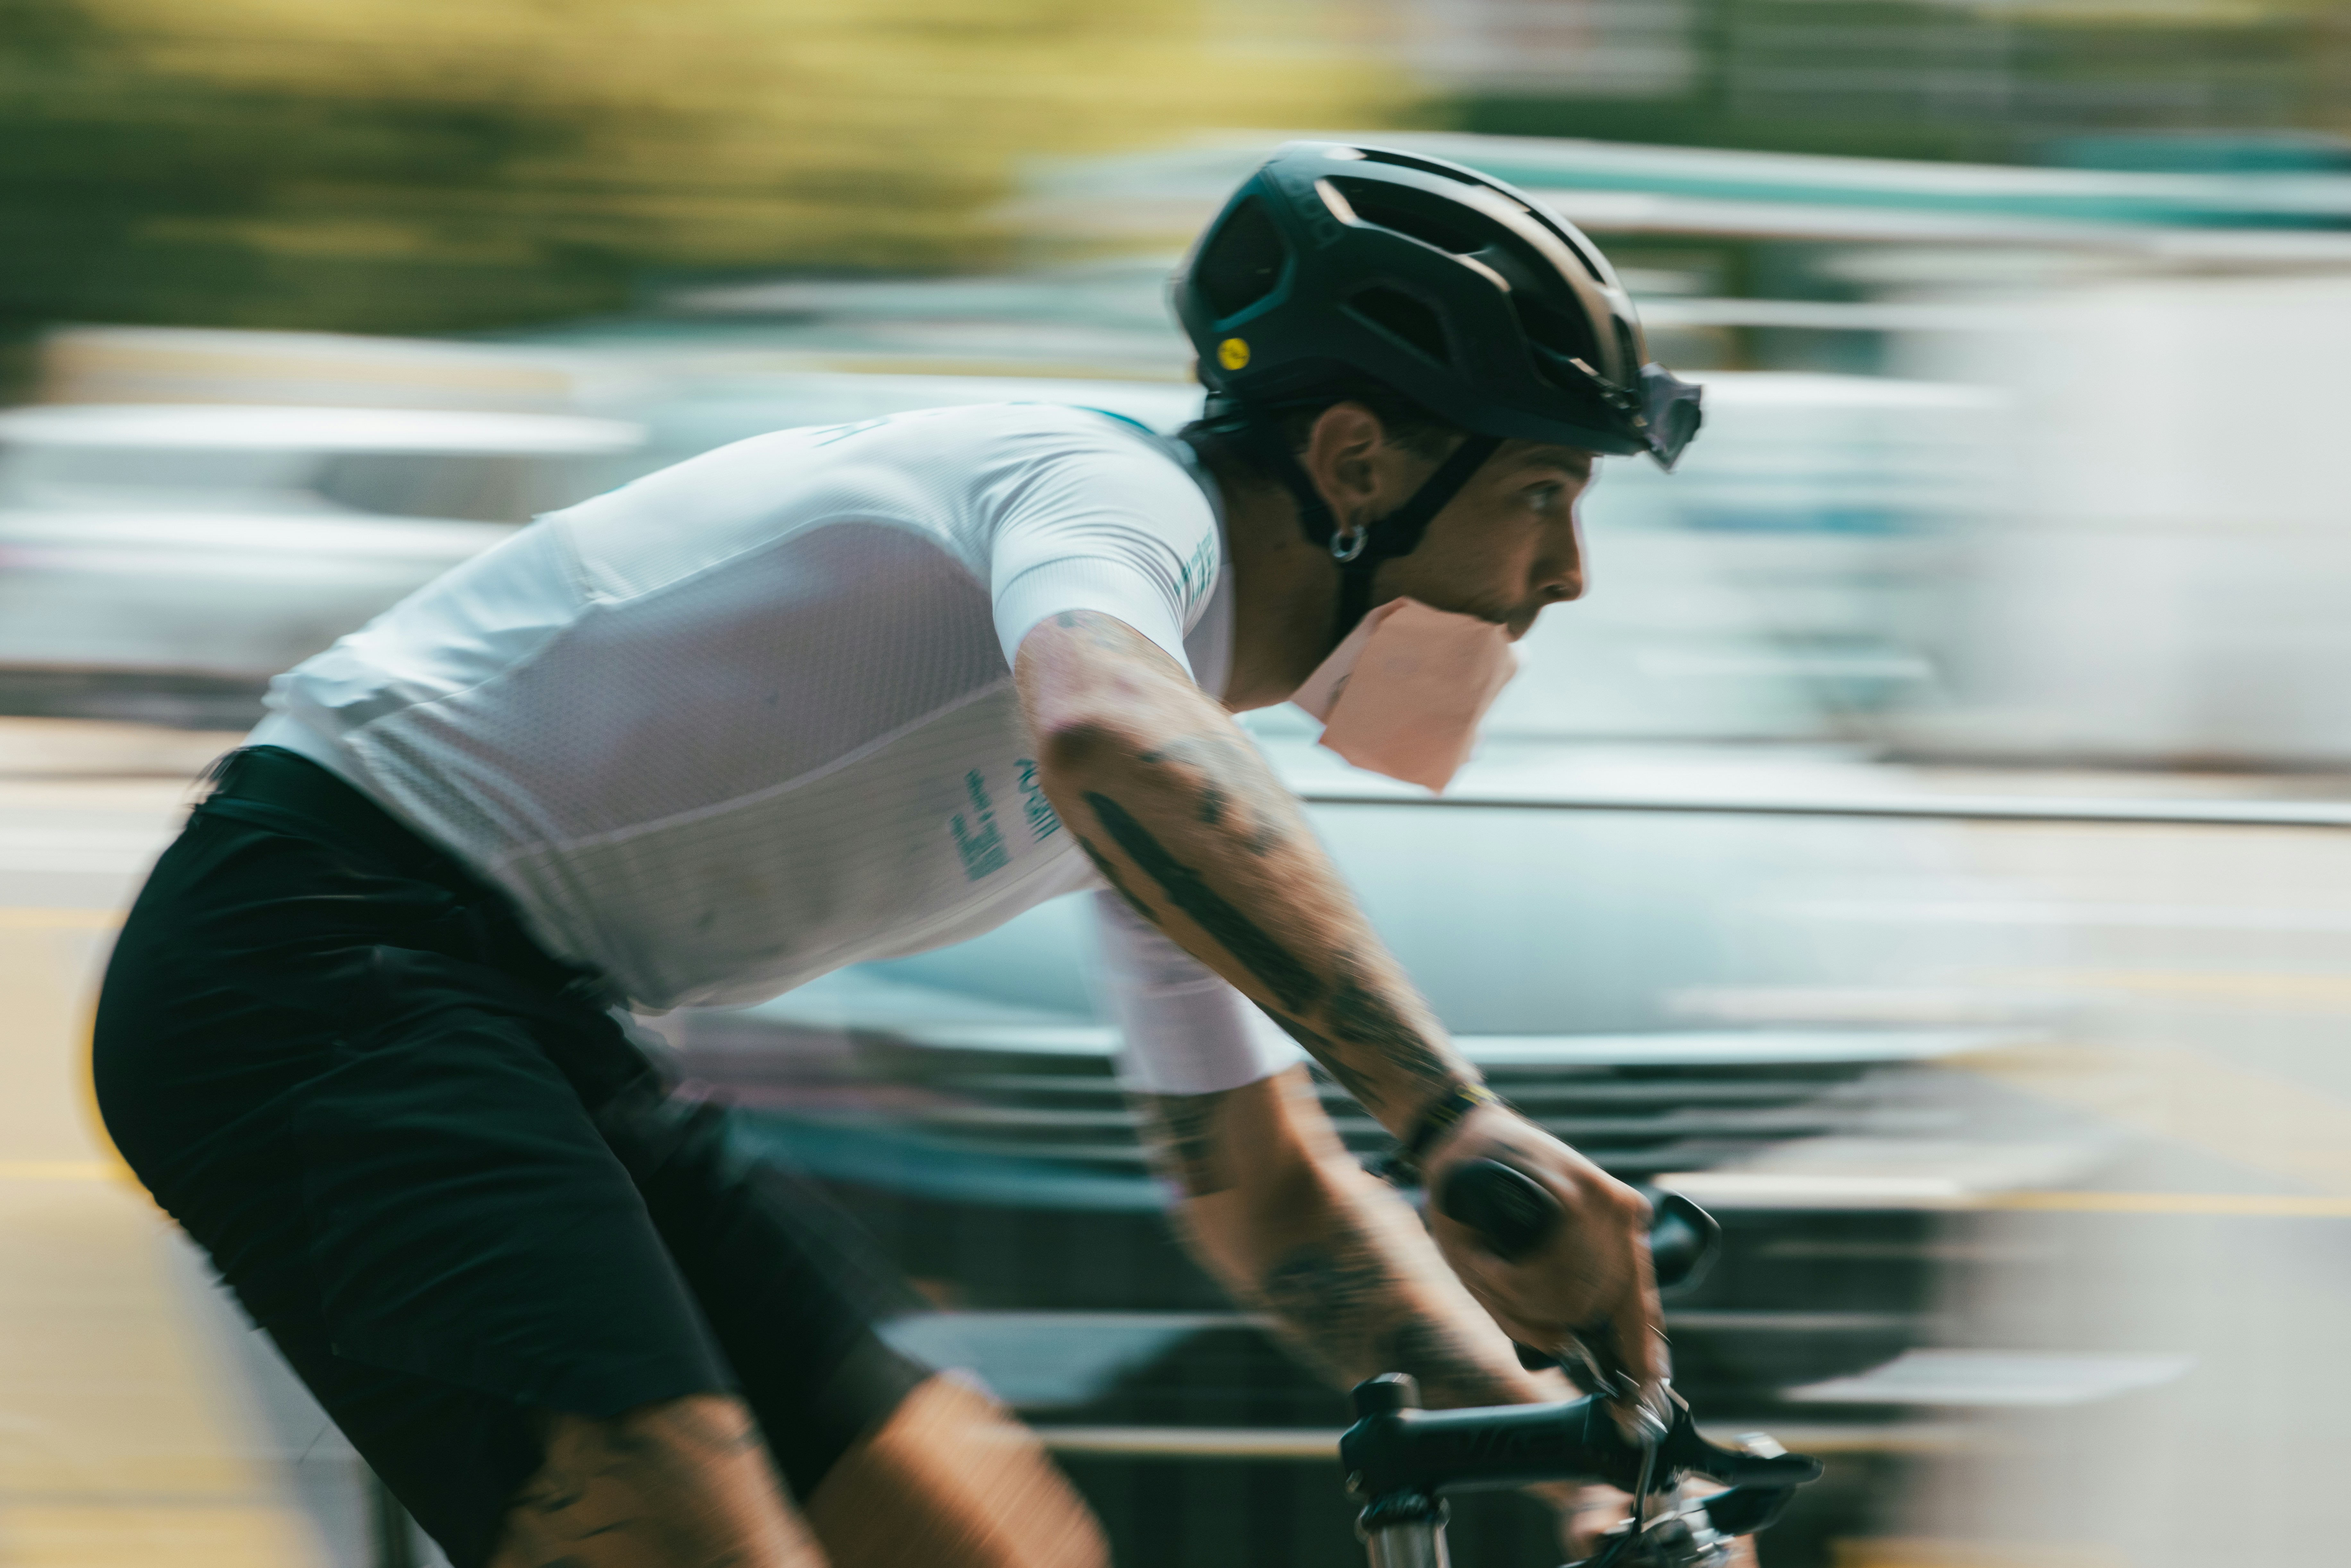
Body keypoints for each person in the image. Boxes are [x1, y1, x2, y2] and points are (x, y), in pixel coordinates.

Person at [91, 141, 1706, 1568]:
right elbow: (1110, 738)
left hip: (536, 1015)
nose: (1566, 573)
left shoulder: (1175, 750)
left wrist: (1566, 1443)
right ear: (1358, 465)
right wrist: (1453, 1115)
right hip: (306, 955)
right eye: (1544, 497)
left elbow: (1263, 1196)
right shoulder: (1112, 510)